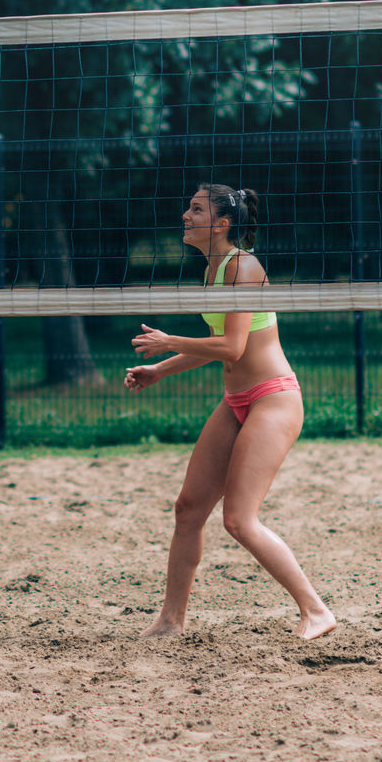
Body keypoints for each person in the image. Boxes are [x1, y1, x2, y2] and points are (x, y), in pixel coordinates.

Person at [125, 183, 335, 641]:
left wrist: (168, 341)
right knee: (188, 509)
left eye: (196, 209)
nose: (185, 215)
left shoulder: (244, 267)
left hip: (273, 398)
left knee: (239, 520)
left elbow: (233, 347)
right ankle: (170, 622)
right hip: (236, 400)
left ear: (221, 223)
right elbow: (222, 349)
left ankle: (316, 611)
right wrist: (160, 369)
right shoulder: (213, 270)